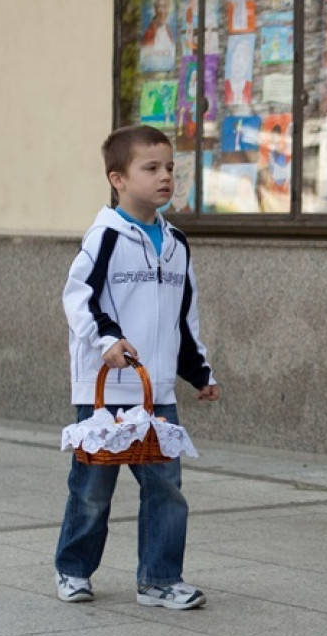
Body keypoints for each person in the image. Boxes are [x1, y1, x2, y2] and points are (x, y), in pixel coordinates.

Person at [55, 124, 220, 609]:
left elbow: (183, 318)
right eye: (151, 168)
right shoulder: (104, 236)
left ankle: (160, 580)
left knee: (167, 488)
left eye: (169, 167)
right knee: (91, 490)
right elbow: (77, 297)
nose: (165, 177)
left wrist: (200, 372)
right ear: (118, 179)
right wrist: (105, 339)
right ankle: (73, 569)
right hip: (104, 393)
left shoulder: (177, 243)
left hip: (157, 394)